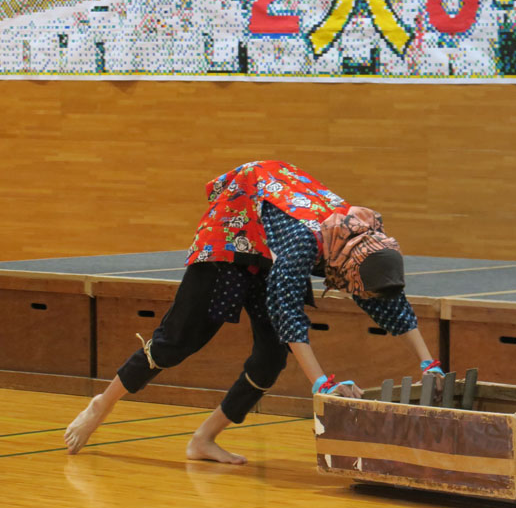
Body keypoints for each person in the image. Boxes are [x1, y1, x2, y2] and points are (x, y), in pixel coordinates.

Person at [64, 161, 442, 464]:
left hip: (267, 242)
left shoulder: (365, 242)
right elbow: (287, 312)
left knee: (270, 358)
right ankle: (102, 404)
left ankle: (204, 439)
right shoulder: (302, 245)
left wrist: (429, 365)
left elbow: (388, 300)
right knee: (178, 341)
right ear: (347, 268)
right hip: (231, 231)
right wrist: (322, 385)